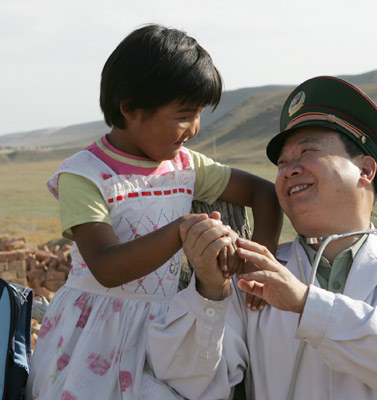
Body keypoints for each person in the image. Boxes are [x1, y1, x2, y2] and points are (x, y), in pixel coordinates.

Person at [147, 76, 377, 399]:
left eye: (308, 152)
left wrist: (304, 303)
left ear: (366, 170)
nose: (288, 170)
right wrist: (209, 293)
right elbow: (188, 380)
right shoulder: (252, 277)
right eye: (283, 163)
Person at [26, 24, 282, 400]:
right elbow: (107, 267)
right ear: (130, 108)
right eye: (183, 114)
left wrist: (260, 260)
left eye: (199, 114)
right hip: (95, 335)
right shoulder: (84, 175)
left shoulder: (185, 166)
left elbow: (264, 193)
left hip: (167, 329)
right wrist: (182, 230)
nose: (194, 128)